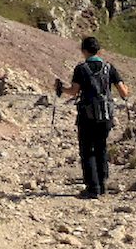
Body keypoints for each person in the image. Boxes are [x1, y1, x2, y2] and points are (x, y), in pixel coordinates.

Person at [54, 36, 128, 198]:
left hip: (86, 116)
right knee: (101, 147)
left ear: (83, 51)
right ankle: (102, 184)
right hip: (106, 115)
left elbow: (74, 91)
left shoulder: (81, 68)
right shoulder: (109, 68)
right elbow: (123, 92)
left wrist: (61, 89)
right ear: (100, 51)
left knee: (87, 150)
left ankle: (92, 188)